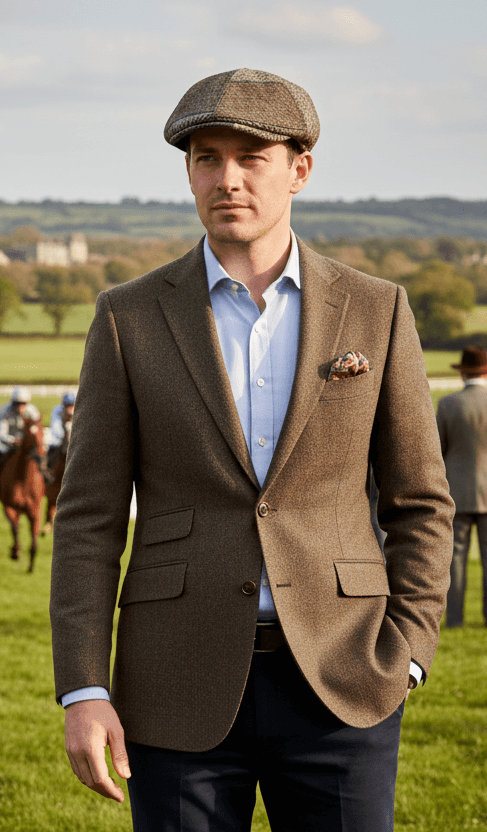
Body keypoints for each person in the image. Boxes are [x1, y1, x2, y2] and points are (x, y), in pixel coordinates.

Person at [50, 68, 454, 831]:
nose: (226, 178)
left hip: (344, 676)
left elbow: (421, 503)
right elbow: (87, 521)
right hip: (173, 682)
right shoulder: (128, 317)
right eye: (206, 158)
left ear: (300, 169)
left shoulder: (377, 309)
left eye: (251, 157)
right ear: (189, 173)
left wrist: (407, 653)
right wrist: (84, 687)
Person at [436, 345, 487, 628]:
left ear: (463, 373)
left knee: (454, 559)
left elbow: (437, 452)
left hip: (456, 492)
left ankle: (454, 618)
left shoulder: (448, 404)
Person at [0, 386, 47, 487]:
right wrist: (13, 440)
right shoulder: (4, 411)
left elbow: (37, 429)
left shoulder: (32, 411)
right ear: (13, 403)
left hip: (26, 445)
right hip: (8, 445)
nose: (21, 407)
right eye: (18, 404)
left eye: (23, 404)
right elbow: (1, 434)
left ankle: (45, 475)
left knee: (40, 457)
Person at [47, 391, 75, 469]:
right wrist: (65, 435)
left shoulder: (78, 411)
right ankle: (49, 468)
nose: (69, 408)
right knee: (54, 444)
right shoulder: (57, 410)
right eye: (67, 406)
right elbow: (56, 427)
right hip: (61, 440)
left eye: (71, 405)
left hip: (74, 440)